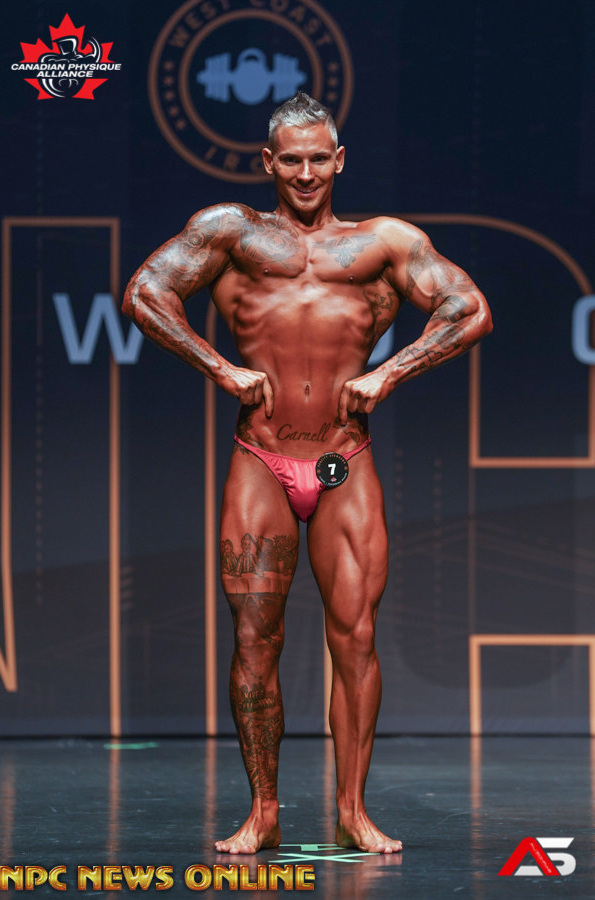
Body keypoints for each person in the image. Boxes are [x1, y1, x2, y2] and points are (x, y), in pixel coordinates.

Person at [123, 92, 492, 855]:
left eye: (318, 158)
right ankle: (263, 810)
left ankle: (353, 810)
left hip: (340, 459)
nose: (305, 173)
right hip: (261, 458)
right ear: (268, 161)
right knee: (254, 639)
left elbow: (469, 309)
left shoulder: (383, 243)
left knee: (355, 637)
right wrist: (218, 366)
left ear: (339, 160)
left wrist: (390, 372)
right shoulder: (230, 232)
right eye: (290, 159)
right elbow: (145, 293)